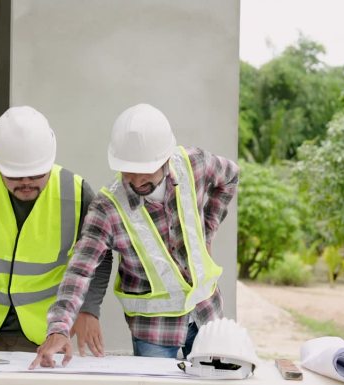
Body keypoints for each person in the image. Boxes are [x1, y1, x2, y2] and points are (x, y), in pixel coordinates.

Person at [30, 103, 239, 368]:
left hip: (207, 314)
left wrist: (208, 229)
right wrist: (59, 328)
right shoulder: (107, 208)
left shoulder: (193, 164)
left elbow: (230, 177)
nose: (137, 179)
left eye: (146, 169)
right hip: (154, 333)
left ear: (165, 158)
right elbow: (79, 271)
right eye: (128, 169)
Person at [0, 106, 111, 355]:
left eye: (37, 174)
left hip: (43, 334)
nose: (26, 183)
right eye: (15, 176)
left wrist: (88, 309)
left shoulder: (76, 192)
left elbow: (100, 257)